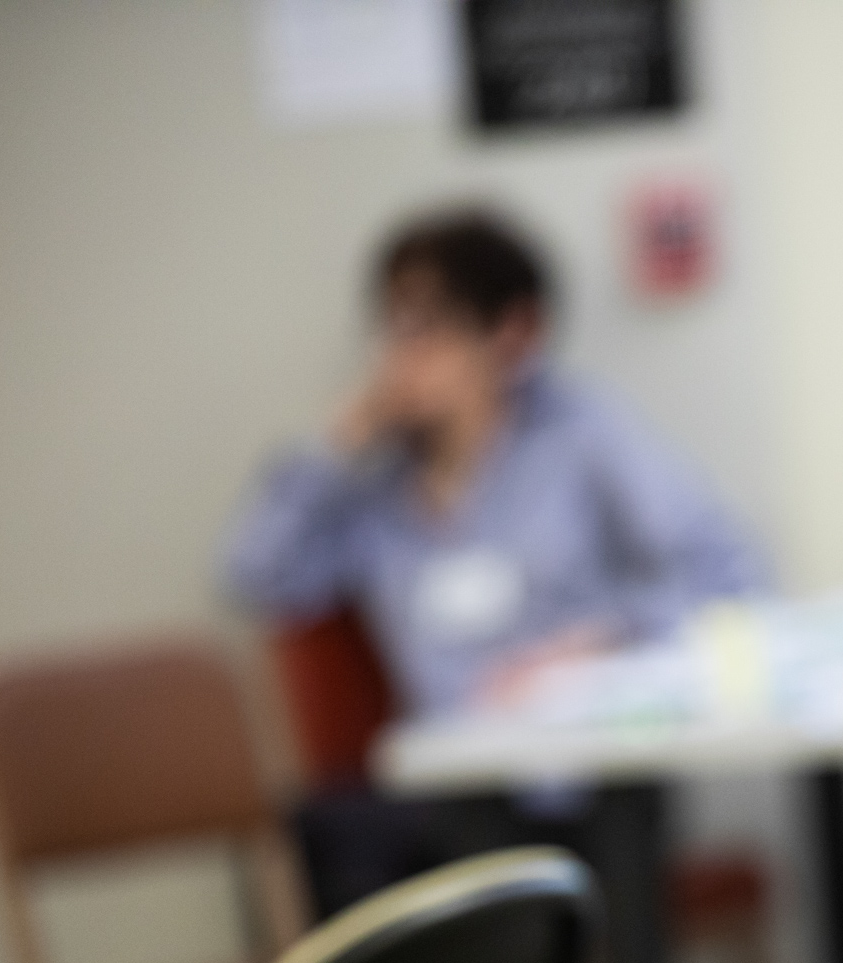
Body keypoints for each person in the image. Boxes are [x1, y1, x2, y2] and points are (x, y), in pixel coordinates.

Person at [225, 207, 765, 920]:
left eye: (433, 326)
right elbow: (254, 577)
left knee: (613, 820)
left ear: (513, 334)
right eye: (395, 325)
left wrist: (602, 640)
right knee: (381, 843)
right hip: (457, 795)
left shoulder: (580, 440)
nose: (405, 354)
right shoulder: (372, 492)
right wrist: (337, 444)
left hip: (589, 769)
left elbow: (729, 574)